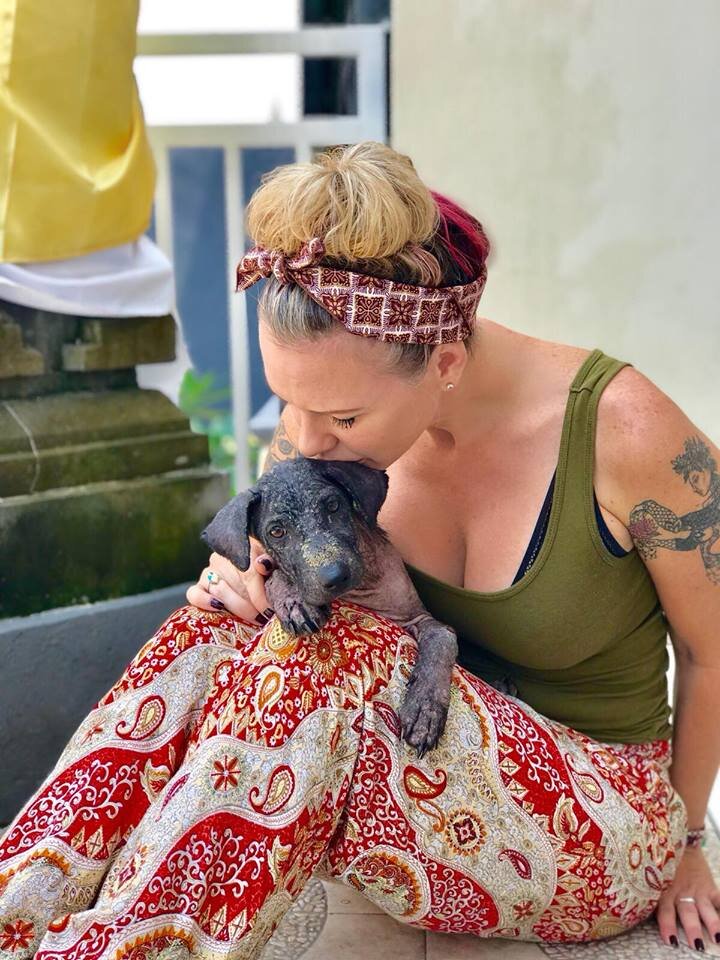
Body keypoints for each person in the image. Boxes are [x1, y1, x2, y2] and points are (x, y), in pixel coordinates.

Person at [1, 142, 718, 956]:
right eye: (285, 402)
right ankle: (17, 911)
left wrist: (690, 846)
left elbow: (711, 652)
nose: (303, 439)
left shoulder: (629, 433)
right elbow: (261, 585)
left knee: (327, 657)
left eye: (342, 419)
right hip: (433, 769)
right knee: (215, 632)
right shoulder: (320, 439)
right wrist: (242, 587)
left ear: (444, 361)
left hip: (605, 819)